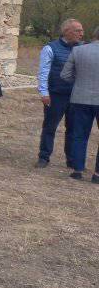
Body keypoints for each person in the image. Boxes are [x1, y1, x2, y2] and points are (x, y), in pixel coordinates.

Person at [36, 18, 84, 168]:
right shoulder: (50, 48)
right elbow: (43, 72)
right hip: (56, 95)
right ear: (67, 31)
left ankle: (72, 160)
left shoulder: (83, 48)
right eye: (78, 30)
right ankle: (44, 157)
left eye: (82, 30)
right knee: (50, 127)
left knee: (74, 129)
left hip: (76, 96)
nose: (81, 34)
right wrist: (44, 92)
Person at [61, 26, 99, 181]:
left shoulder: (78, 50)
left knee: (79, 135)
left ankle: (77, 170)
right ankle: (97, 174)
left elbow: (65, 75)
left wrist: (78, 83)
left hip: (80, 98)